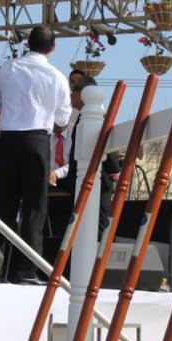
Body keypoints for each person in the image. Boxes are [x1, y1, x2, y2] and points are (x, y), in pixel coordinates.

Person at [0, 25, 71, 284]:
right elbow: (63, 119)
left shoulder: (9, 68)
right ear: (53, 48)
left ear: (28, 44)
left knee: (3, 204)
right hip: (37, 141)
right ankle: (25, 272)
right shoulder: (57, 76)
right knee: (34, 207)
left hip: (9, 139)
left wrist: (10, 107)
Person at [57, 75, 123, 238]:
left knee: (98, 228)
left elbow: (105, 144)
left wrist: (115, 170)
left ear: (83, 94)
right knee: (82, 229)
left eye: (73, 91)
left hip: (99, 182)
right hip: (80, 180)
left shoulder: (99, 117)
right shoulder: (81, 117)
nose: (71, 95)